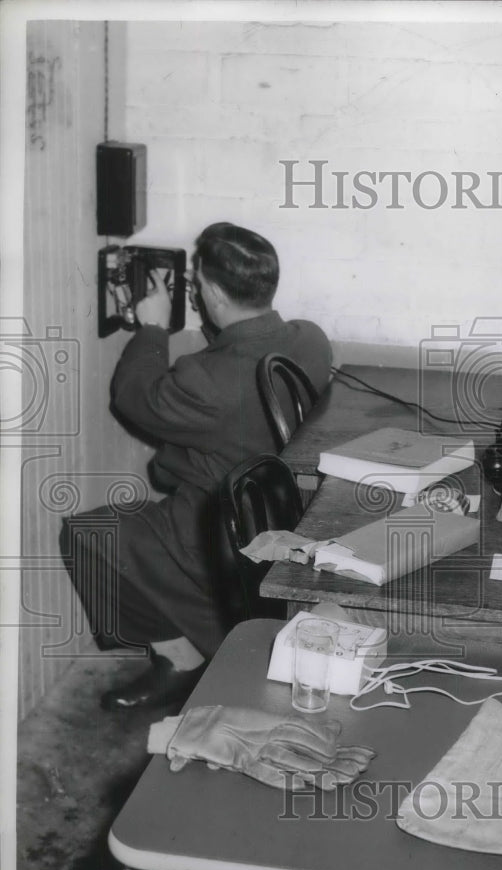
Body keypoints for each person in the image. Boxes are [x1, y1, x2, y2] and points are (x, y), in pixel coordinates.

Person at [60, 222, 332, 710]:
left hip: (218, 530)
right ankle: (218, 642)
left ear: (207, 289)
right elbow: (240, 361)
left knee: (89, 533)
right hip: (289, 516)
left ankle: (193, 652)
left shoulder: (202, 382)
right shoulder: (310, 340)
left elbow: (135, 398)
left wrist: (151, 327)